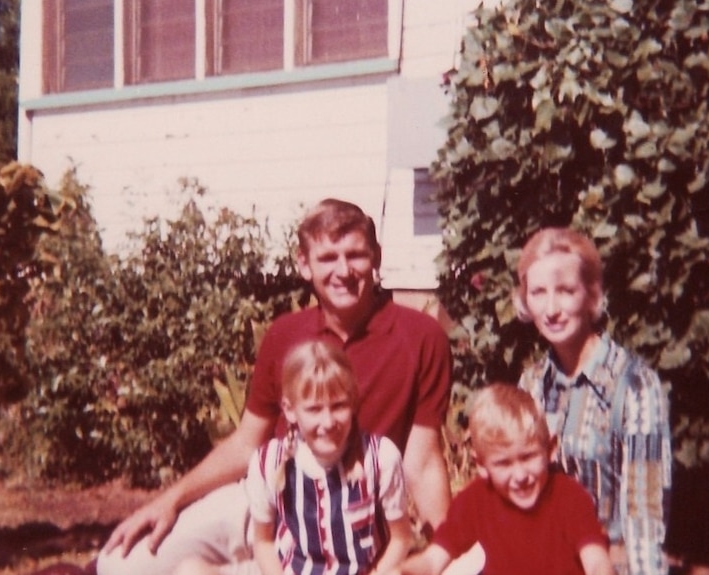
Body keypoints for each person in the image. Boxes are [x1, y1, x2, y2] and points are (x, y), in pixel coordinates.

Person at [97, 199, 452, 575]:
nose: (343, 270)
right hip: (269, 500)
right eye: (328, 257)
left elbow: (423, 460)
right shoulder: (286, 334)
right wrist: (171, 500)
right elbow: (247, 442)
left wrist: (448, 547)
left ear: (376, 257)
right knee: (119, 565)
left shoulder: (419, 336)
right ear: (304, 264)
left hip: (346, 518)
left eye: (356, 255)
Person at [175, 339, 412, 575]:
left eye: (339, 406)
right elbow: (264, 542)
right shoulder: (269, 461)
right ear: (290, 410)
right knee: (190, 571)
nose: (328, 422)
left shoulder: (379, 457)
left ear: (353, 403)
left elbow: (401, 538)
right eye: (314, 409)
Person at [513, 227, 671, 575]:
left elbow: (643, 518)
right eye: (538, 292)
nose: (551, 309)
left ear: (591, 295)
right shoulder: (532, 383)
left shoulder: (634, 387)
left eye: (566, 291)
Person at [386, 383, 613, 575]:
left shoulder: (569, 498)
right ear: (482, 465)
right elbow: (434, 559)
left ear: (551, 449)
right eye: (504, 463)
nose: (520, 475)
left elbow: (596, 561)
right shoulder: (476, 501)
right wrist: (406, 571)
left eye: (528, 457)